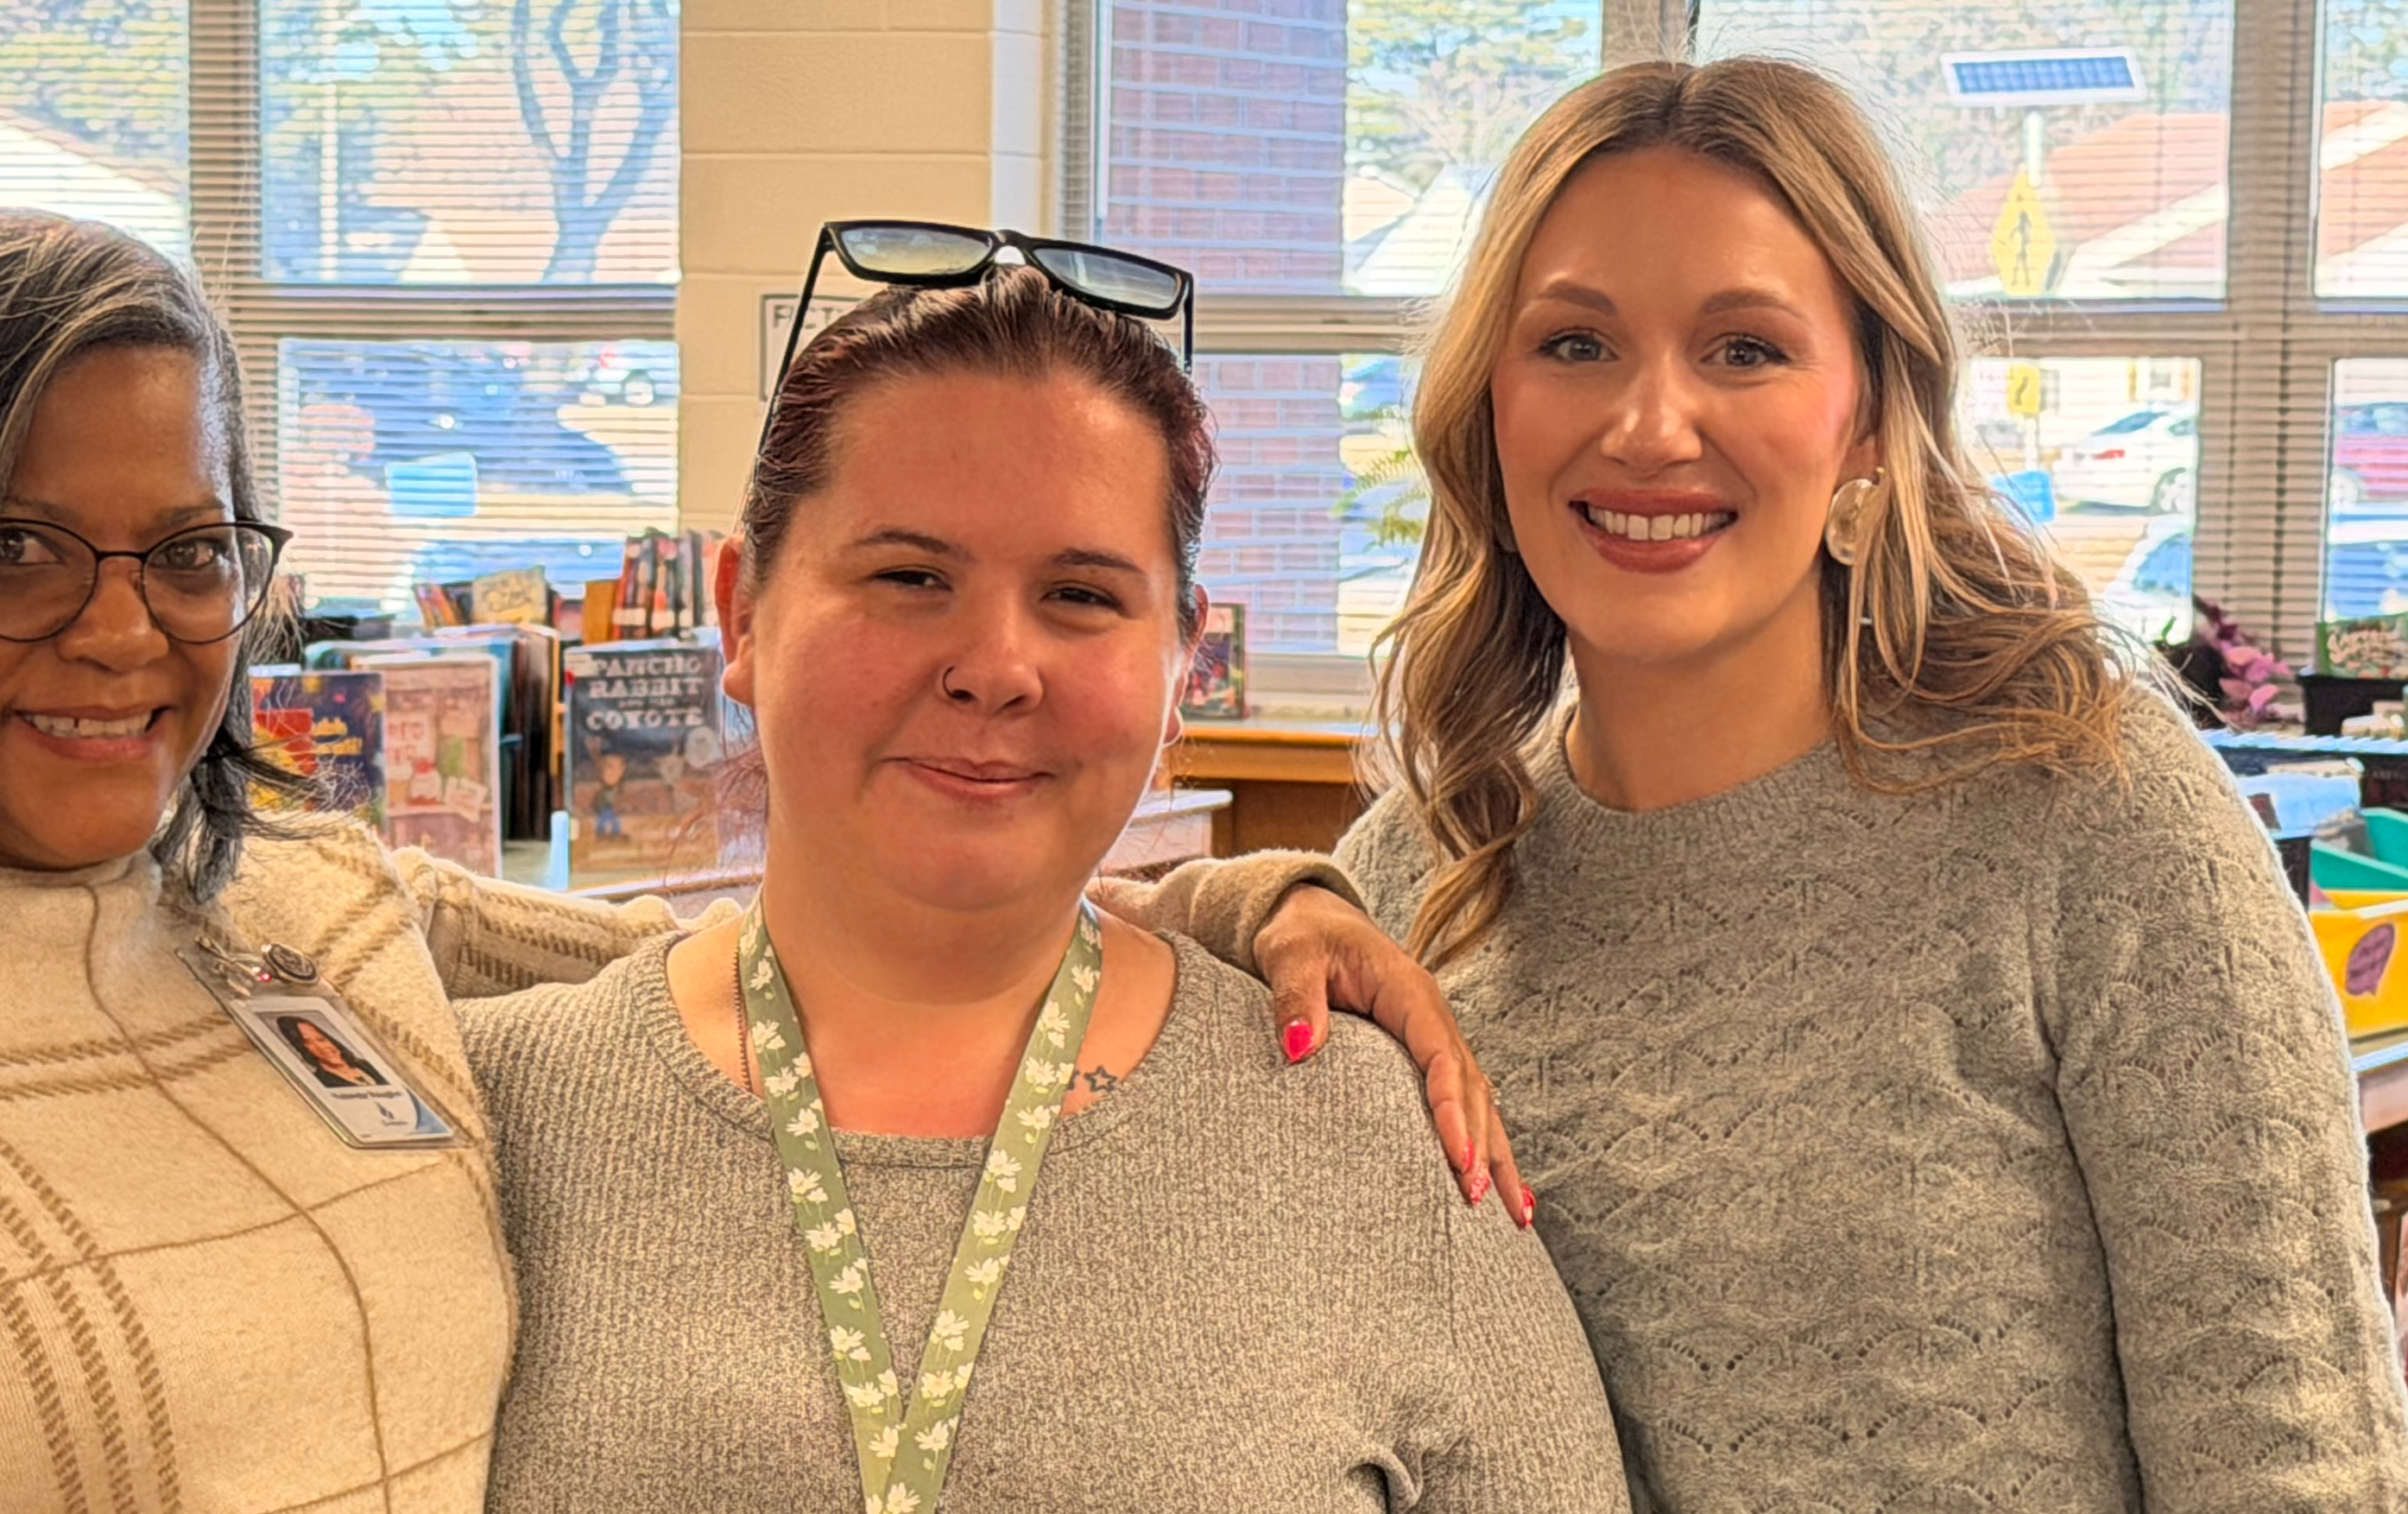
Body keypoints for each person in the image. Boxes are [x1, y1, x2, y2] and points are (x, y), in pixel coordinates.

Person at [0, 208, 1504, 1513]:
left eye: (186, 551)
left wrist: (1238, 911)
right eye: (12, 547)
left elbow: (814, 955)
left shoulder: (307, 914)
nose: (118, 626)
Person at [1222, 59, 2408, 1510]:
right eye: (1574, 345)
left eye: (1743, 348)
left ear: (1866, 418)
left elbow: (2298, 1465)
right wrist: (1244, 900)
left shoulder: (2086, 810)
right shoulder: (1416, 881)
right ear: (1490, 405)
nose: (1650, 425)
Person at [459, 257, 1627, 1511]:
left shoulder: (1366, 1134)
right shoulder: (489, 1121)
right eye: (911, 577)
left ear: (1183, 661)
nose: (997, 666)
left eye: (1080, 596)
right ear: (743, 617)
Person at [277, 1013, 386, 1088]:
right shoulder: (322, 1081)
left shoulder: (365, 1065)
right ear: (303, 1049)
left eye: (321, 1039)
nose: (322, 1047)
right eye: (308, 1043)